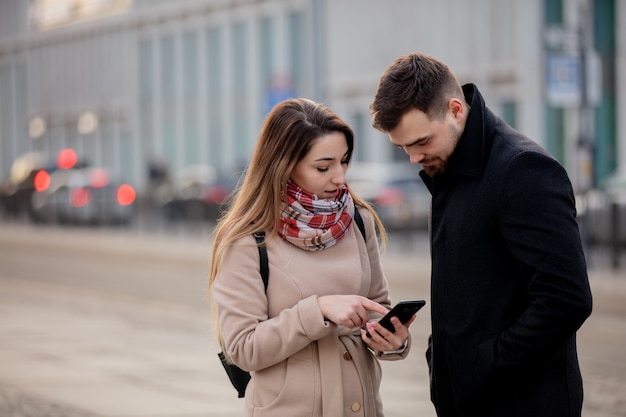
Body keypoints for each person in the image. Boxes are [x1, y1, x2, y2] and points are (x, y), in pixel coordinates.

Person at [369, 52, 593, 417]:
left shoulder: (523, 169)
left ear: (456, 110)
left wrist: (484, 364)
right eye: (403, 147)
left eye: (421, 141)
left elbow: (567, 300)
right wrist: (441, 360)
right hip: (471, 400)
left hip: (522, 403)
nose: (413, 157)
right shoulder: (449, 169)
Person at [209, 98, 416, 417]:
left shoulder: (358, 220)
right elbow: (243, 349)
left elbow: (378, 306)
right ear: (284, 164)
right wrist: (318, 310)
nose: (340, 177)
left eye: (344, 161)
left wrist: (392, 339)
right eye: (323, 166)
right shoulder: (248, 239)